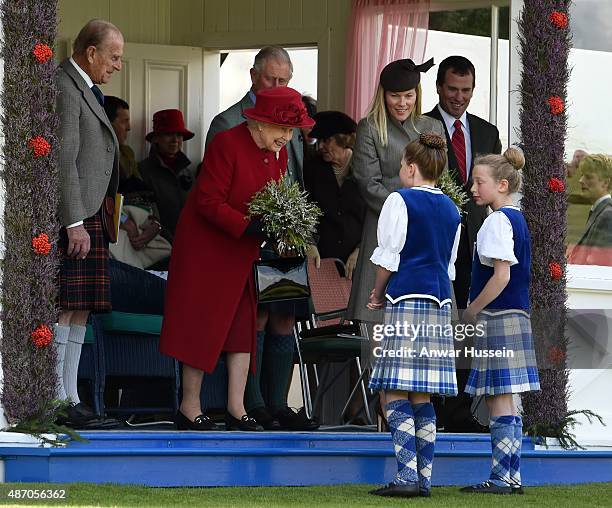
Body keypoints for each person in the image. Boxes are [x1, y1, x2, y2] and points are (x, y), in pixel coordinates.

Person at [159, 87, 315, 432]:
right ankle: (190, 406)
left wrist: (280, 227)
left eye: (291, 131)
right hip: (206, 248)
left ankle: (236, 407)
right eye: (281, 129)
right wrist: (249, 226)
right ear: (259, 123)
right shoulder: (227, 144)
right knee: (200, 324)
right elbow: (208, 202)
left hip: (242, 249)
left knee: (242, 327)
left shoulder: (280, 152)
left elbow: (274, 198)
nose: (287, 137)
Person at [205, 46, 316, 431]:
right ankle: (251, 403)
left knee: (284, 315)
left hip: (287, 236)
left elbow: (296, 179)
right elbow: (218, 193)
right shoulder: (227, 122)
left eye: (285, 80)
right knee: (254, 317)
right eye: (272, 79)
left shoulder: (290, 116)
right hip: (248, 235)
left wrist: (302, 232)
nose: (279, 85)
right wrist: (255, 226)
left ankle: (279, 404)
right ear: (253, 76)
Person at [367, 133, 461, 498]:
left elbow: (389, 257)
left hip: (406, 298)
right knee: (422, 395)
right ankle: (424, 478)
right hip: (440, 303)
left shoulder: (399, 200)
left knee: (393, 391)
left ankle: (406, 477)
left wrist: (376, 294)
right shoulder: (453, 209)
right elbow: (449, 268)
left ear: (409, 166)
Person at [425, 55, 502, 433]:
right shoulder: (422, 125)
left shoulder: (487, 132)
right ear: (440, 87)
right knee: (437, 327)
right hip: (435, 241)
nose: (459, 97)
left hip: (476, 244)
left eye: (466, 90)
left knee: (467, 327)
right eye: (452, 89)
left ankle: (458, 410)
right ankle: (431, 408)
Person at [55, 19, 124, 427]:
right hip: (77, 216)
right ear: (91, 52)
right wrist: (74, 222)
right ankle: (57, 398)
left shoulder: (87, 88)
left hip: (92, 213)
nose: (117, 65)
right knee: (66, 308)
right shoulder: (66, 86)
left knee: (81, 309)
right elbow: (64, 160)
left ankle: (72, 395)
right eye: (113, 57)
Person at [460, 148, 540, 494]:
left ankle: (500, 478)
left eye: (480, 182)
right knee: (505, 397)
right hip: (516, 315)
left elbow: (502, 277)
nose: (473, 188)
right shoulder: (517, 218)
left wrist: (472, 309)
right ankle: (512, 476)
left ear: (502, 184)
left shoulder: (495, 221)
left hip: (497, 316)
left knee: (497, 397)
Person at [347, 57, 444, 328]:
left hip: (424, 232)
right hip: (383, 228)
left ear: (417, 95)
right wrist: (407, 210)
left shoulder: (432, 127)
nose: (402, 103)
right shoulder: (369, 127)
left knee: (420, 320)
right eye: (395, 96)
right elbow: (368, 183)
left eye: (408, 96)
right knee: (378, 321)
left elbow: (441, 179)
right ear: (383, 95)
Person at [103, 97, 169, 269]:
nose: (129, 127)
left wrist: (155, 225)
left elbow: (146, 198)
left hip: (143, 232)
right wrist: (124, 221)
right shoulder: (99, 157)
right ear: (107, 123)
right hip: (120, 237)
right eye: (124, 121)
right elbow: (99, 196)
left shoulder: (127, 156)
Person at [304, 111, 364, 276]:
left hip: (359, 263)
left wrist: (361, 249)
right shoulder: (312, 169)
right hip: (322, 262)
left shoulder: (364, 167)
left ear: (343, 140)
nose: (321, 146)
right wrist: (310, 244)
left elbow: (374, 216)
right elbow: (306, 211)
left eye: (327, 140)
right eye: (319, 140)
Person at [139, 109, 196, 243]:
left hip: (189, 245)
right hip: (158, 248)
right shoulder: (142, 171)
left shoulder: (187, 172)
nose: (175, 140)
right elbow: (137, 215)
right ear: (157, 138)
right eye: (169, 134)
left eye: (179, 135)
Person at [568, 154, 612, 265]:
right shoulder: (599, 211)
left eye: (588, 177)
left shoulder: (607, 215)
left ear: (605, 183)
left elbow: (599, 264)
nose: (580, 180)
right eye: (582, 175)